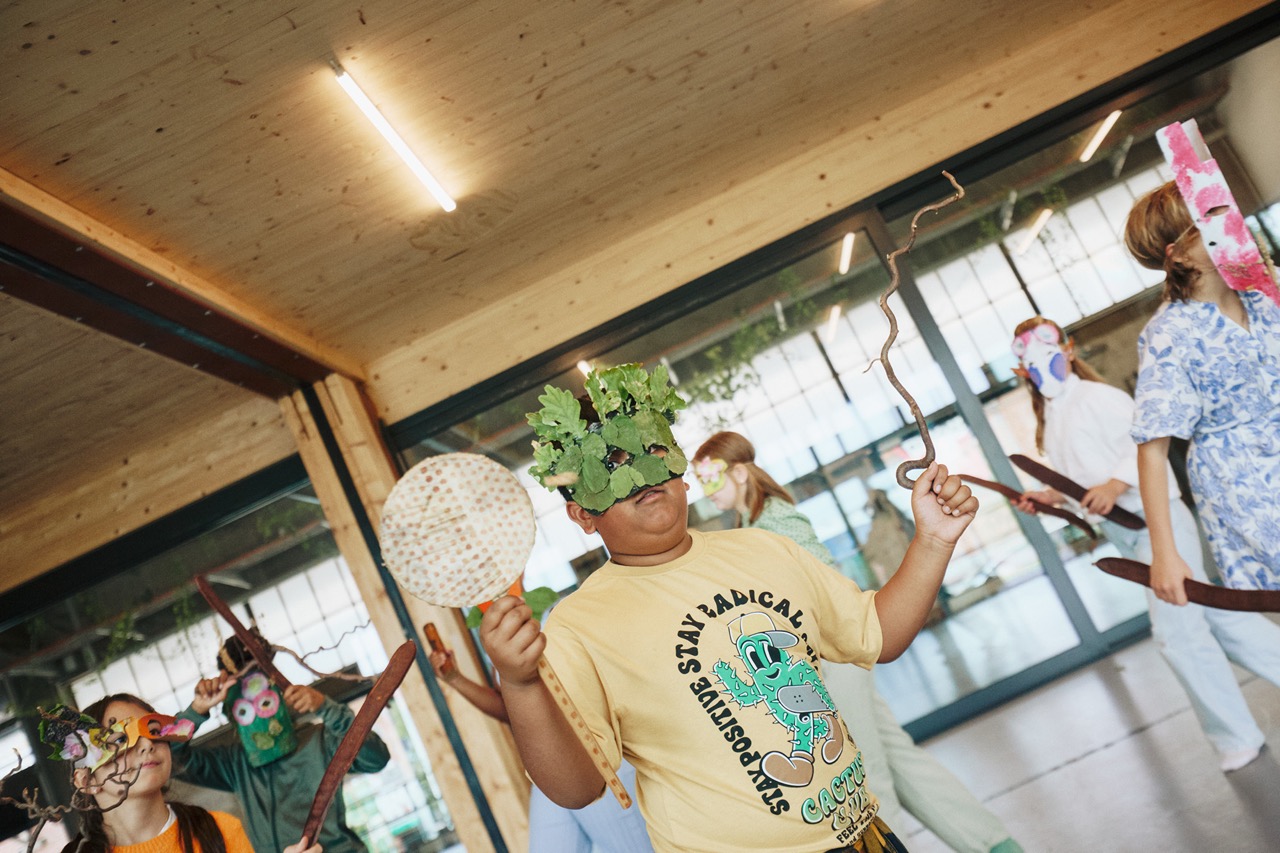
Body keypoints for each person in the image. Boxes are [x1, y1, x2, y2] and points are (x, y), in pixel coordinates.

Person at [483, 362, 978, 852]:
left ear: (682, 471)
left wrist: (933, 540)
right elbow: (578, 787)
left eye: (653, 450)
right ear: (582, 515)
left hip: (864, 835)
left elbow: (878, 634)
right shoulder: (578, 626)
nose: (639, 471)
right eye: (609, 463)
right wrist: (521, 684)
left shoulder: (763, 550)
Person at [692, 430, 1022, 853]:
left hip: (830, 657)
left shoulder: (773, 518)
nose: (706, 492)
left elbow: (825, 580)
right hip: (821, 660)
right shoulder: (751, 525)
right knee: (898, 759)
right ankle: (995, 844)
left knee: (867, 773)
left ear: (739, 473)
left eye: (711, 478)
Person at [1009, 314, 1280, 773]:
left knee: (1178, 635)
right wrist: (1050, 497)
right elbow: (1086, 480)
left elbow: (1147, 447)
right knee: (1220, 618)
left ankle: (1237, 737)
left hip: (1160, 525)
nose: (1042, 368)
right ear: (1021, 371)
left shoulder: (1100, 397)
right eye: (1031, 364)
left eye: (1048, 355)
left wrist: (1115, 485)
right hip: (1128, 533)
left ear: (1069, 351)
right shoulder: (1052, 417)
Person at [1125, 180, 1280, 597]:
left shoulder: (1266, 292)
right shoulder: (1168, 333)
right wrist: (1165, 554)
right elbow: (1152, 450)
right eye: (1207, 220)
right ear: (1177, 253)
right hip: (1245, 485)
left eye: (1224, 212)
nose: (1228, 224)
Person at [170, 631, 390, 853]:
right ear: (231, 711)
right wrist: (196, 711)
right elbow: (169, 756)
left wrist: (325, 706)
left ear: (279, 691)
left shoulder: (319, 741)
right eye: (244, 707)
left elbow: (377, 758)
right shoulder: (234, 764)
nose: (257, 709)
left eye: (265, 700)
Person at [429, 639, 655, 852]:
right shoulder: (498, 630)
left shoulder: (557, 617)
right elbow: (511, 710)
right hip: (549, 766)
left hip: (594, 750)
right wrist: (455, 679)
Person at [43, 694, 319, 853]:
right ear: (87, 781)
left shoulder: (219, 830)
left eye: (154, 731)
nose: (147, 744)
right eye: (120, 740)